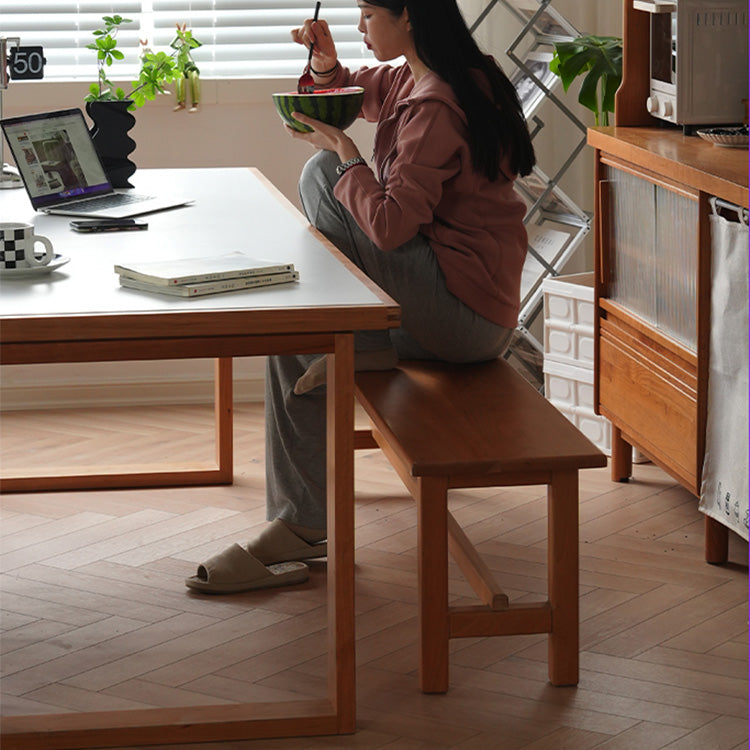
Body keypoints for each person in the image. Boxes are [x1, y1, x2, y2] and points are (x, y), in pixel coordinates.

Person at [185, 0, 535, 594]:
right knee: (298, 334)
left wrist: (348, 155)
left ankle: (366, 342)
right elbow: (355, 90)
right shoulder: (433, 76)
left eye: (369, 15)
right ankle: (300, 526)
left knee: (323, 173)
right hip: (462, 306)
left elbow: (393, 227)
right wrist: (324, 67)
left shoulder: (436, 106)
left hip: (462, 319)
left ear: (409, 18)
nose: (360, 27)